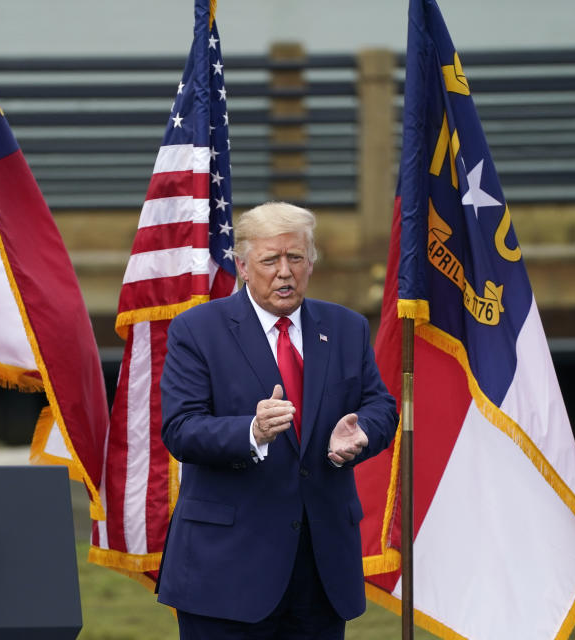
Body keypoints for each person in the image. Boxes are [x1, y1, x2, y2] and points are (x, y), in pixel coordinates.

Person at [156, 201, 398, 639]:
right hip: (227, 570)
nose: (284, 272)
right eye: (270, 260)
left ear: (310, 264)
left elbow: (381, 405)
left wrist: (362, 430)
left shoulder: (346, 327)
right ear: (244, 267)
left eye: (295, 258)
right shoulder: (197, 330)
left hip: (321, 570)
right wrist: (251, 431)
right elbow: (180, 429)